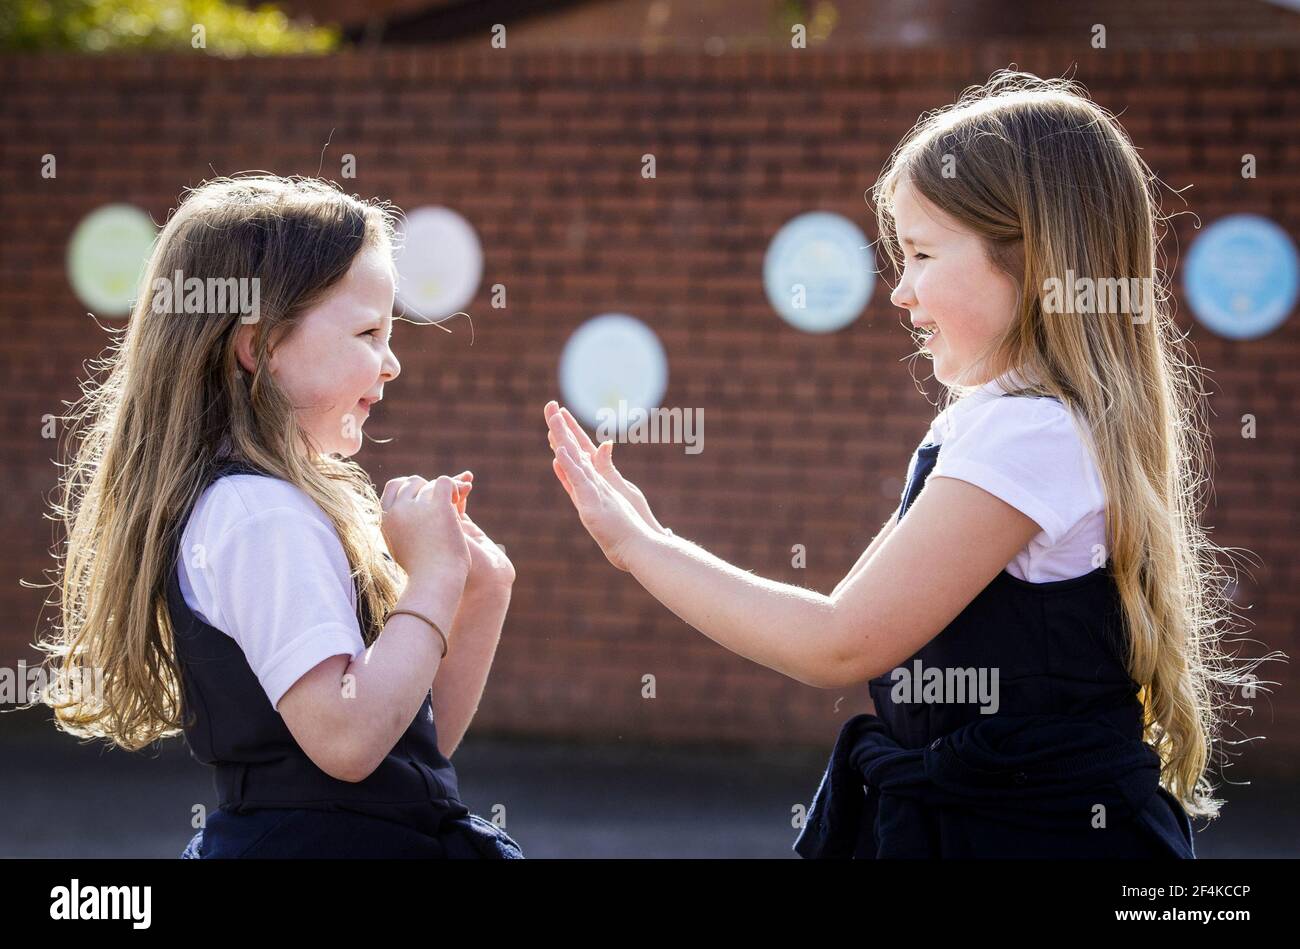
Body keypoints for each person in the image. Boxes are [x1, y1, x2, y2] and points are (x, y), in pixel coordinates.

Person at [542, 70, 1272, 858]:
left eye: (922, 252)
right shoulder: (993, 421)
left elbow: (841, 640)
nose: (900, 290)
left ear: (1032, 259)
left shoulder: (1031, 436)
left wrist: (641, 546)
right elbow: (862, 615)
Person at [34, 174, 522, 858]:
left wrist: (479, 590)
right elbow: (348, 740)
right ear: (257, 347)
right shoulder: (258, 516)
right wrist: (433, 578)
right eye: (368, 331)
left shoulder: (271, 506)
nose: (393, 363)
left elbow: (404, 745)